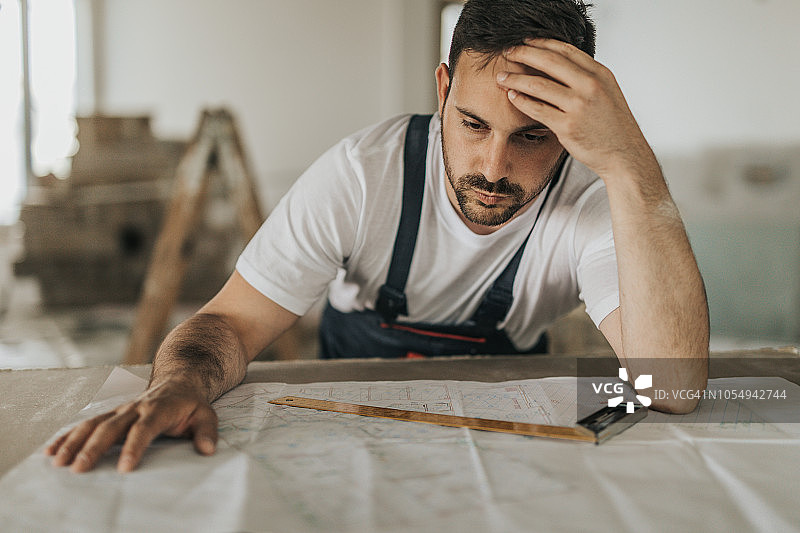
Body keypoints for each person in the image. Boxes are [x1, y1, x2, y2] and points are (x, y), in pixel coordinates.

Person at [46, 0, 709, 474]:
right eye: (473, 124)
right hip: (345, 428)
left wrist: (634, 168)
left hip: (506, 451)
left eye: (533, 136)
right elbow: (229, 323)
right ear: (443, 89)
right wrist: (176, 385)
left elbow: (671, 387)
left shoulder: (598, 199)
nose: (493, 168)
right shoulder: (363, 175)